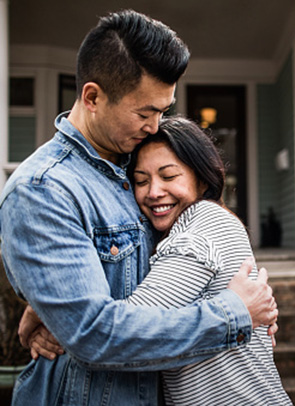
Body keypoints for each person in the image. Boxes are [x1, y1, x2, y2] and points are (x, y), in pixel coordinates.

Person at [0, 10, 277, 406]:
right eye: (145, 113)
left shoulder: (132, 164)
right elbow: (96, 334)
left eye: (163, 111)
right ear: (92, 97)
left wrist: (47, 311)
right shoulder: (44, 190)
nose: (155, 125)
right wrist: (233, 315)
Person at [29, 116, 290, 405]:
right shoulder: (167, 235)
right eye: (141, 181)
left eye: (168, 176)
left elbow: (124, 333)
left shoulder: (204, 221)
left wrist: (59, 318)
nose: (154, 192)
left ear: (202, 179)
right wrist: (46, 305)